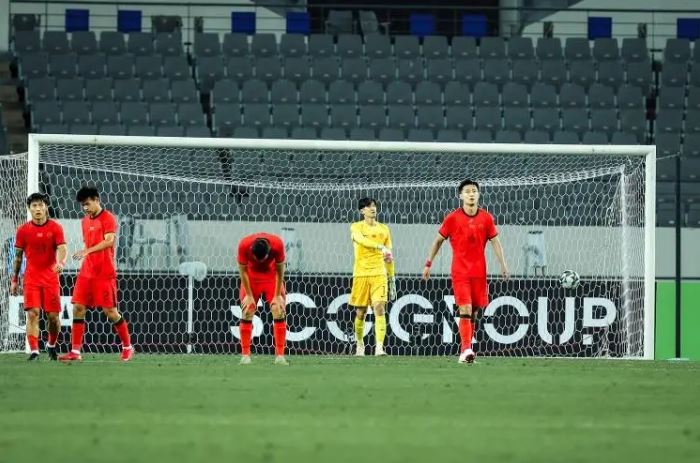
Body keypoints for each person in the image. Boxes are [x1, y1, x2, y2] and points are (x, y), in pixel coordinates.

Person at [422, 180, 508, 364]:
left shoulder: (486, 218)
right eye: (467, 191)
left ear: (478, 194)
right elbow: (438, 241)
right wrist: (428, 263)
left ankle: (466, 350)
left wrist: (503, 264)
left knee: (474, 312)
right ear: (461, 196)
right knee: (466, 308)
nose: (471, 194)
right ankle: (467, 349)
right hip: (460, 272)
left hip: (479, 273)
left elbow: (495, 241)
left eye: (474, 191)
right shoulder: (452, 218)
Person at [58, 186, 133, 362]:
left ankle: (128, 347)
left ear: (97, 200)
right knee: (78, 308)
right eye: (83, 205)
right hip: (87, 272)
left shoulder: (108, 218)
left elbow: (109, 242)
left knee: (110, 312)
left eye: (88, 204)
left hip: (104, 273)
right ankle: (75, 352)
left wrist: (87, 251)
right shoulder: (84, 221)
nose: (85, 208)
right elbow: (89, 243)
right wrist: (87, 253)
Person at [11, 193, 67, 361]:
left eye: (41, 205)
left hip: (51, 278)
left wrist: (61, 262)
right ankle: (34, 351)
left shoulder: (56, 228)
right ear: (29, 208)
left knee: (53, 318)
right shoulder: (22, 230)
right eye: (34, 205)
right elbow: (18, 257)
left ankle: (51, 345)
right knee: (33, 313)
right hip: (31, 278)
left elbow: (63, 248)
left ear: (46, 207)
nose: (38, 209)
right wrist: (14, 280)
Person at [349, 197, 396, 357]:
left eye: (374, 206)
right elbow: (361, 240)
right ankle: (360, 344)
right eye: (369, 206)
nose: (373, 208)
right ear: (362, 210)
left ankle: (379, 348)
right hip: (361, 274)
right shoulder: (356, 227)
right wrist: (379, 246)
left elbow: (388, 256)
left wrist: (392, 278)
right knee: (360, 312)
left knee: (379, 307)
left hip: (379, 273)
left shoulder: (384, 229)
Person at [237, 233, 288, 365]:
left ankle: (280, 356)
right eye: (256, 258)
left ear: (269, 252)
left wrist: (277, 295)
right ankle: (245, 356)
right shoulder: (244, 245)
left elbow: (280, 271)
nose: (259, 261)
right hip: (251, 277)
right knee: (247, 310)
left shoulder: (278, 244)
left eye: (262, 259)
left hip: (271, 277)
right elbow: (242, 271)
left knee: (278, 309)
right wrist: (249, 295)